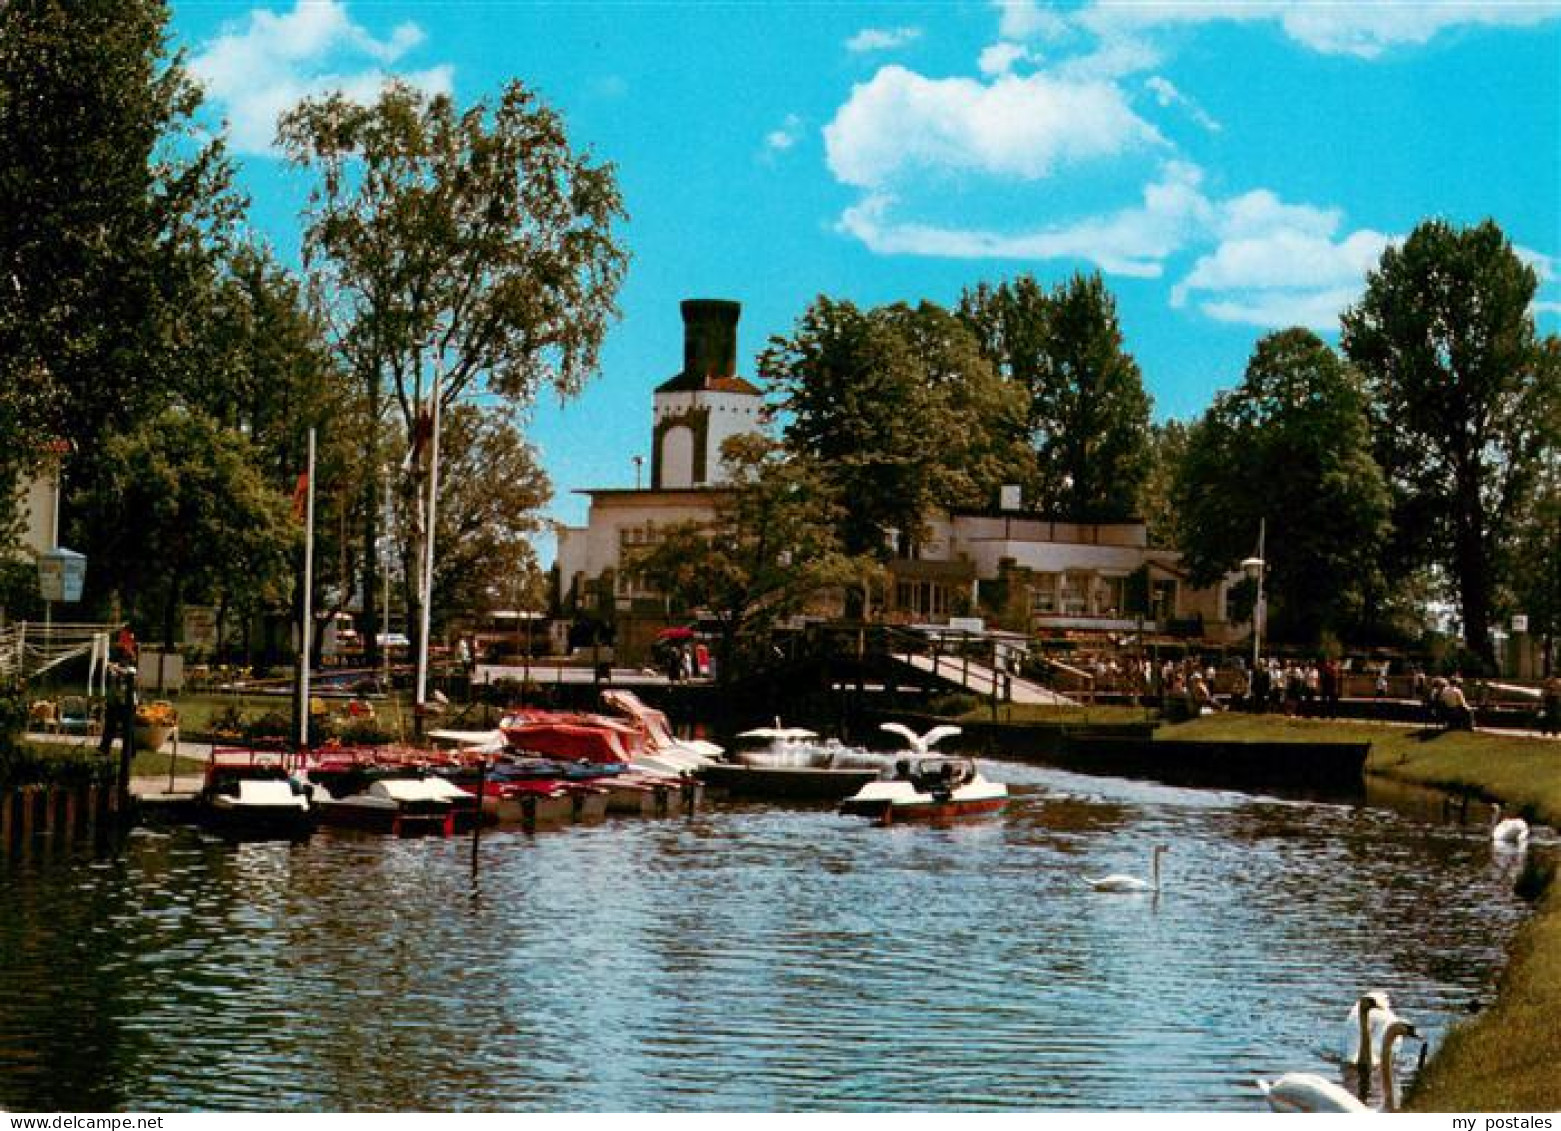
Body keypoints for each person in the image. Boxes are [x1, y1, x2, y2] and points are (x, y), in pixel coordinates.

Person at [98, 650, 139, 757]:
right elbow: (110, 675)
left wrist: (115, 668)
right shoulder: (115, 668)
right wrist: (110, 669)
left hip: (128, 704)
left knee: (128, 729)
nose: (123, 660)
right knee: (109, 726)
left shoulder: (132, 669)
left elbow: (127, 673)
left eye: (125, 658)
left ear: (130, 660)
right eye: (122, 658)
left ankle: (131, 751)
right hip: (114, 702)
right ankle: (104, 748)